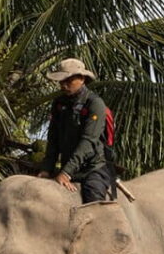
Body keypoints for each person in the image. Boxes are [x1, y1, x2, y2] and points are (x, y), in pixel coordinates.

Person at [40, 58, 114, 203]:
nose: (63, 85)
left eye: (68, 80)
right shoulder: (59, 103)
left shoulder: (94, 104)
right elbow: (53, 138)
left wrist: (67, 173)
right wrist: (46, 168)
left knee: (93, 200)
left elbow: (88, 141)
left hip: (92, 169)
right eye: (61, 81)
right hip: (67, 166)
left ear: (82, 79)